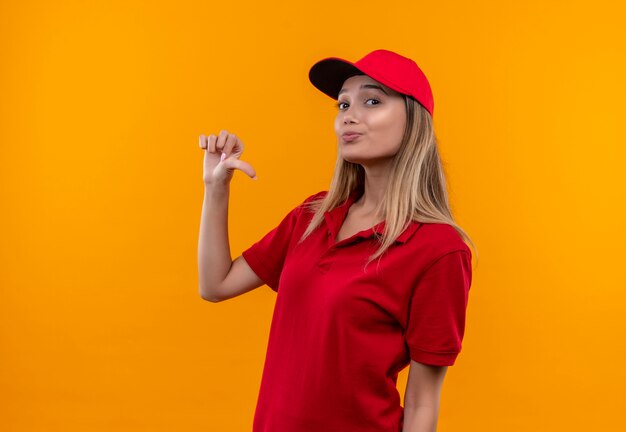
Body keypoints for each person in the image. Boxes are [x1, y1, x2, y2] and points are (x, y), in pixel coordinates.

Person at [197, 49, 477, 432]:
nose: (349, 115)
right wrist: (216, 189)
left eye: (372, 101)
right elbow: (215, 285)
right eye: (343, 103)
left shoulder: (439, 249)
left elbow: (422, 401)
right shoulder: (312, 217)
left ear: (414, 121)